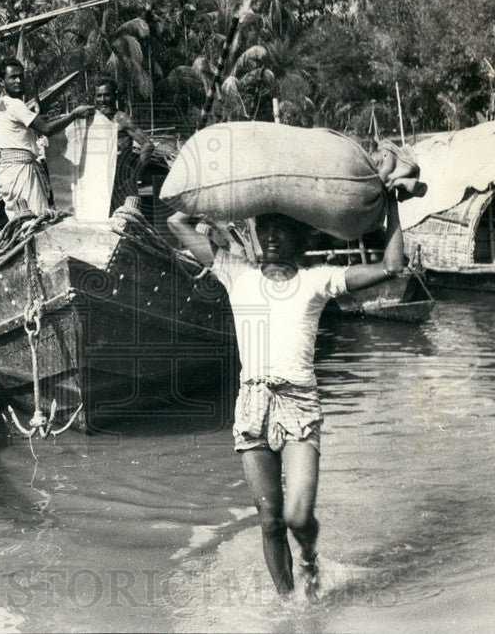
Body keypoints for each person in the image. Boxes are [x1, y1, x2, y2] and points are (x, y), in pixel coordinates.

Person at [167, 188, 406, 601]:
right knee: (270, 521)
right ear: (256, 234)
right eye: (265, 228)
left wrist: (393, 203)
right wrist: (215, 194)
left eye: (282, 228)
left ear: (301, 236)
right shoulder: (236, 272)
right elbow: (176, 222)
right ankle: (288, 606)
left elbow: (391, 266)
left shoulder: (317, 280)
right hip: (252, 404)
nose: (273, 236)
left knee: (297, 516)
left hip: (298, 404)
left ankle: (309, 557)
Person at [0, 57, 94, 218]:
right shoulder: (16, 105)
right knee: (37, 218)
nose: (18, 81)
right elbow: (47, 129)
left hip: (9, 171)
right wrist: (74, 115)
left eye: (21, 76)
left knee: (21, 220)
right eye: (13, 77)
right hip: (22, 171)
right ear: (2, 82)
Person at [93, 77, 155, 213]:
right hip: (98, 182)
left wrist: (134, 177)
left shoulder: (122, 119)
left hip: (120, 183)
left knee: (122, 219)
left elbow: (147, 145)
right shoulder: (93, 120)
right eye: (99, 95)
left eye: (107, 95)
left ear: (115, 96)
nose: (102, 99)